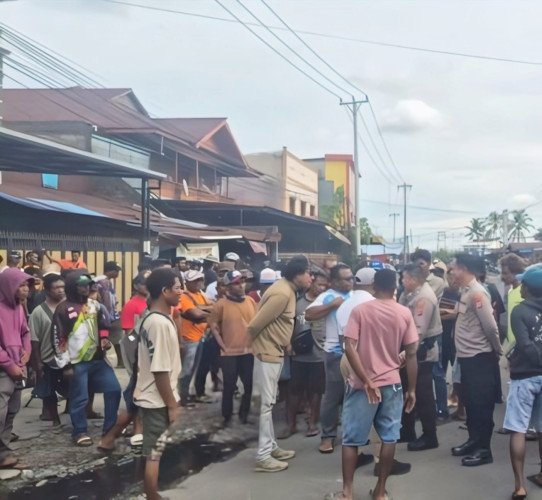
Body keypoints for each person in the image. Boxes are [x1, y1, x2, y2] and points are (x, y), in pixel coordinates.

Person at [328, 269, 418, 500]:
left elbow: (349, 346)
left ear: (374, 287)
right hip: (392, 384)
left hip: (362, 387)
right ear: (395, 287)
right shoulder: (404, 313)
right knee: (389, 438)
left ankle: (347, 493)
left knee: (351, 440)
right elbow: (411, 353)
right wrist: (412, 389)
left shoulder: (360, 311)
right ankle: (380, 492)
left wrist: (367, 380)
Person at [247, 255, 313, 472]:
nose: (311, 277)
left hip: (274, 352)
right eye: (308, 273)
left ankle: (271, 447)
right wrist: (254, 348)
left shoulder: (288, 290)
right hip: (267, 352)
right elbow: (254, 325)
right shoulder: (282, 293)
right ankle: (263, 456)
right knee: (266, 406)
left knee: (269, 403)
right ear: (297, 274)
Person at [52, 271, 121, 446]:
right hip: (76, 362)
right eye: (81, 285)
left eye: (88, 285)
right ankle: (79, 431)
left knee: (114, 390)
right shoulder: (63, 309)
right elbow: (58, 338)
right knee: (80, 398)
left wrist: (104, 339)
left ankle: (110, 428)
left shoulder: (95, 305)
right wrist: (65, 365)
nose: (86, 288)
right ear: (72, 287)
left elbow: (104, 325)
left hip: (98, 360)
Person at [133, 268, 182, 500]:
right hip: (157, 398)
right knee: (154, 453)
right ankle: (152, 495)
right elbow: (160, 369)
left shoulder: (153, 318)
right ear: (164, 291)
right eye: (177, 287)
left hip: (154, 395)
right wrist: (171, 405)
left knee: (152, 450)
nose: (181, 292)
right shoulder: (159, 324)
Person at [449, 253, 503, 466]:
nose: (452, 272)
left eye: (455, 268)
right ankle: (473, 441)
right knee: (470, 403)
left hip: (479, 357)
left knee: (481, 405)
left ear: (464, 268)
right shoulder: (466, 291)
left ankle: (484, 449)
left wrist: (497, 349)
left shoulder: (478, 293)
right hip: (467, 357)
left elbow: (490, 326)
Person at [502, 265, 542, 499]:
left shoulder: (520, 311)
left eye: (523, 284)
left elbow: (525, 345)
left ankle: (519, 486)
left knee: (517, 428)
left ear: (528, 288)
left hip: (525, 376)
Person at [305, 263, 353, 454]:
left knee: (354, 396)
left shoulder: (357, 296)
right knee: (333, 397)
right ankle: (328, 436)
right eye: (346, 279)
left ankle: (353, 434)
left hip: (358, 352)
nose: (351, 281)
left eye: (352, 278)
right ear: (334, 281)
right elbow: (309, 314)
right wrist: (332, 305)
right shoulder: (328, 296)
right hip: (335, 353)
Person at [399, 263, 442, 451]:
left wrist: (404, 354)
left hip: (421, 352)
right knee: (406, 390)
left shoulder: (424, 297)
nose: (402, 281)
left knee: (423, 395)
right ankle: (407, 430)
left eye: (404, 278)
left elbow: (418, 332)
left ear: (414, 279)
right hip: (409, 352)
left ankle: (430, 435)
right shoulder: (408, 294)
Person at [208, 270, 257, 424]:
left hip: (248, 351)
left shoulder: (250, 301)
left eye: (242, 282)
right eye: (236, 283)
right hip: (229, 353)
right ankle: (226, 416)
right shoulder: (220, 305)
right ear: (228, 286)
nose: (241, 285)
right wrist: (223, 346)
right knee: (229, 385)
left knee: (248, 384)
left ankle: (244, 414)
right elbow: (214, 327)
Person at [283, 271, 328, 437]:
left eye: (324, 285)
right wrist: (288, 344)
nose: (321, 288)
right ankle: (291, 425)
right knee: (294, 392)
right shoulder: (297, 303)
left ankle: (312, 424)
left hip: (319, 355)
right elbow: (289, 325)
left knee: (315, 392)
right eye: (319, 284)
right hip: (299, 355)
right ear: (312, 282)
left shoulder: (327, 303)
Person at [0, 269, 33, 469]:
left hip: (18, 367)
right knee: (1, 411)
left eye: (27, 285)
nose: (26, 289)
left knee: (12, 411)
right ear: (8, 286)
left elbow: (25, 332)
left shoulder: (19, 307)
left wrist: (27, 351)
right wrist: (9, 365)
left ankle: (3, 452)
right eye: (21, 285)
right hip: (4, 369)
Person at [28, 273, 66, 426]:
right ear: (47, 290)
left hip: (68, 357)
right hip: (47, 358)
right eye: (56, 288)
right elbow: (34, 340)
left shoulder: (69, 307)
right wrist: (37, 364)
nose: (61, 290)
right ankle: (55, 419)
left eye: (62, 287)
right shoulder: (38, 312)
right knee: (49, 391)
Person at [177, 270, 213, 407]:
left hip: (199, 336)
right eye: (195, 280)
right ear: (187, 283)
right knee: (187, 369)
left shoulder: (200, 294)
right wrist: (208, 311)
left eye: (200, 279)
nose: (198, 282)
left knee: (193, 368)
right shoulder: (184, 296)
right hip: (189, 338)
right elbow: (195, 314)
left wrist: (203, 309)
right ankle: (183, 396)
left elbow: (214, 306)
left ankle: (186, 394)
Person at [97, 261, 124, 368]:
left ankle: (104, 359)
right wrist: (108, 317)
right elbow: (107, 301)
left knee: (104, 338)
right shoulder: (105, 282)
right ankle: (120, 362)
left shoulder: (102, 281)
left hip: (105, 315)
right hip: (109, 316)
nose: (117, 273)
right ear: (110, 271)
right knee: (116, 338)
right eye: (116, 271)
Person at [501, 253, 528, 343]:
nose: (502, 277)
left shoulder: (525, 294)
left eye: (505, 273)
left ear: (516, 273)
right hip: (512, 345)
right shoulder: (510, 291)